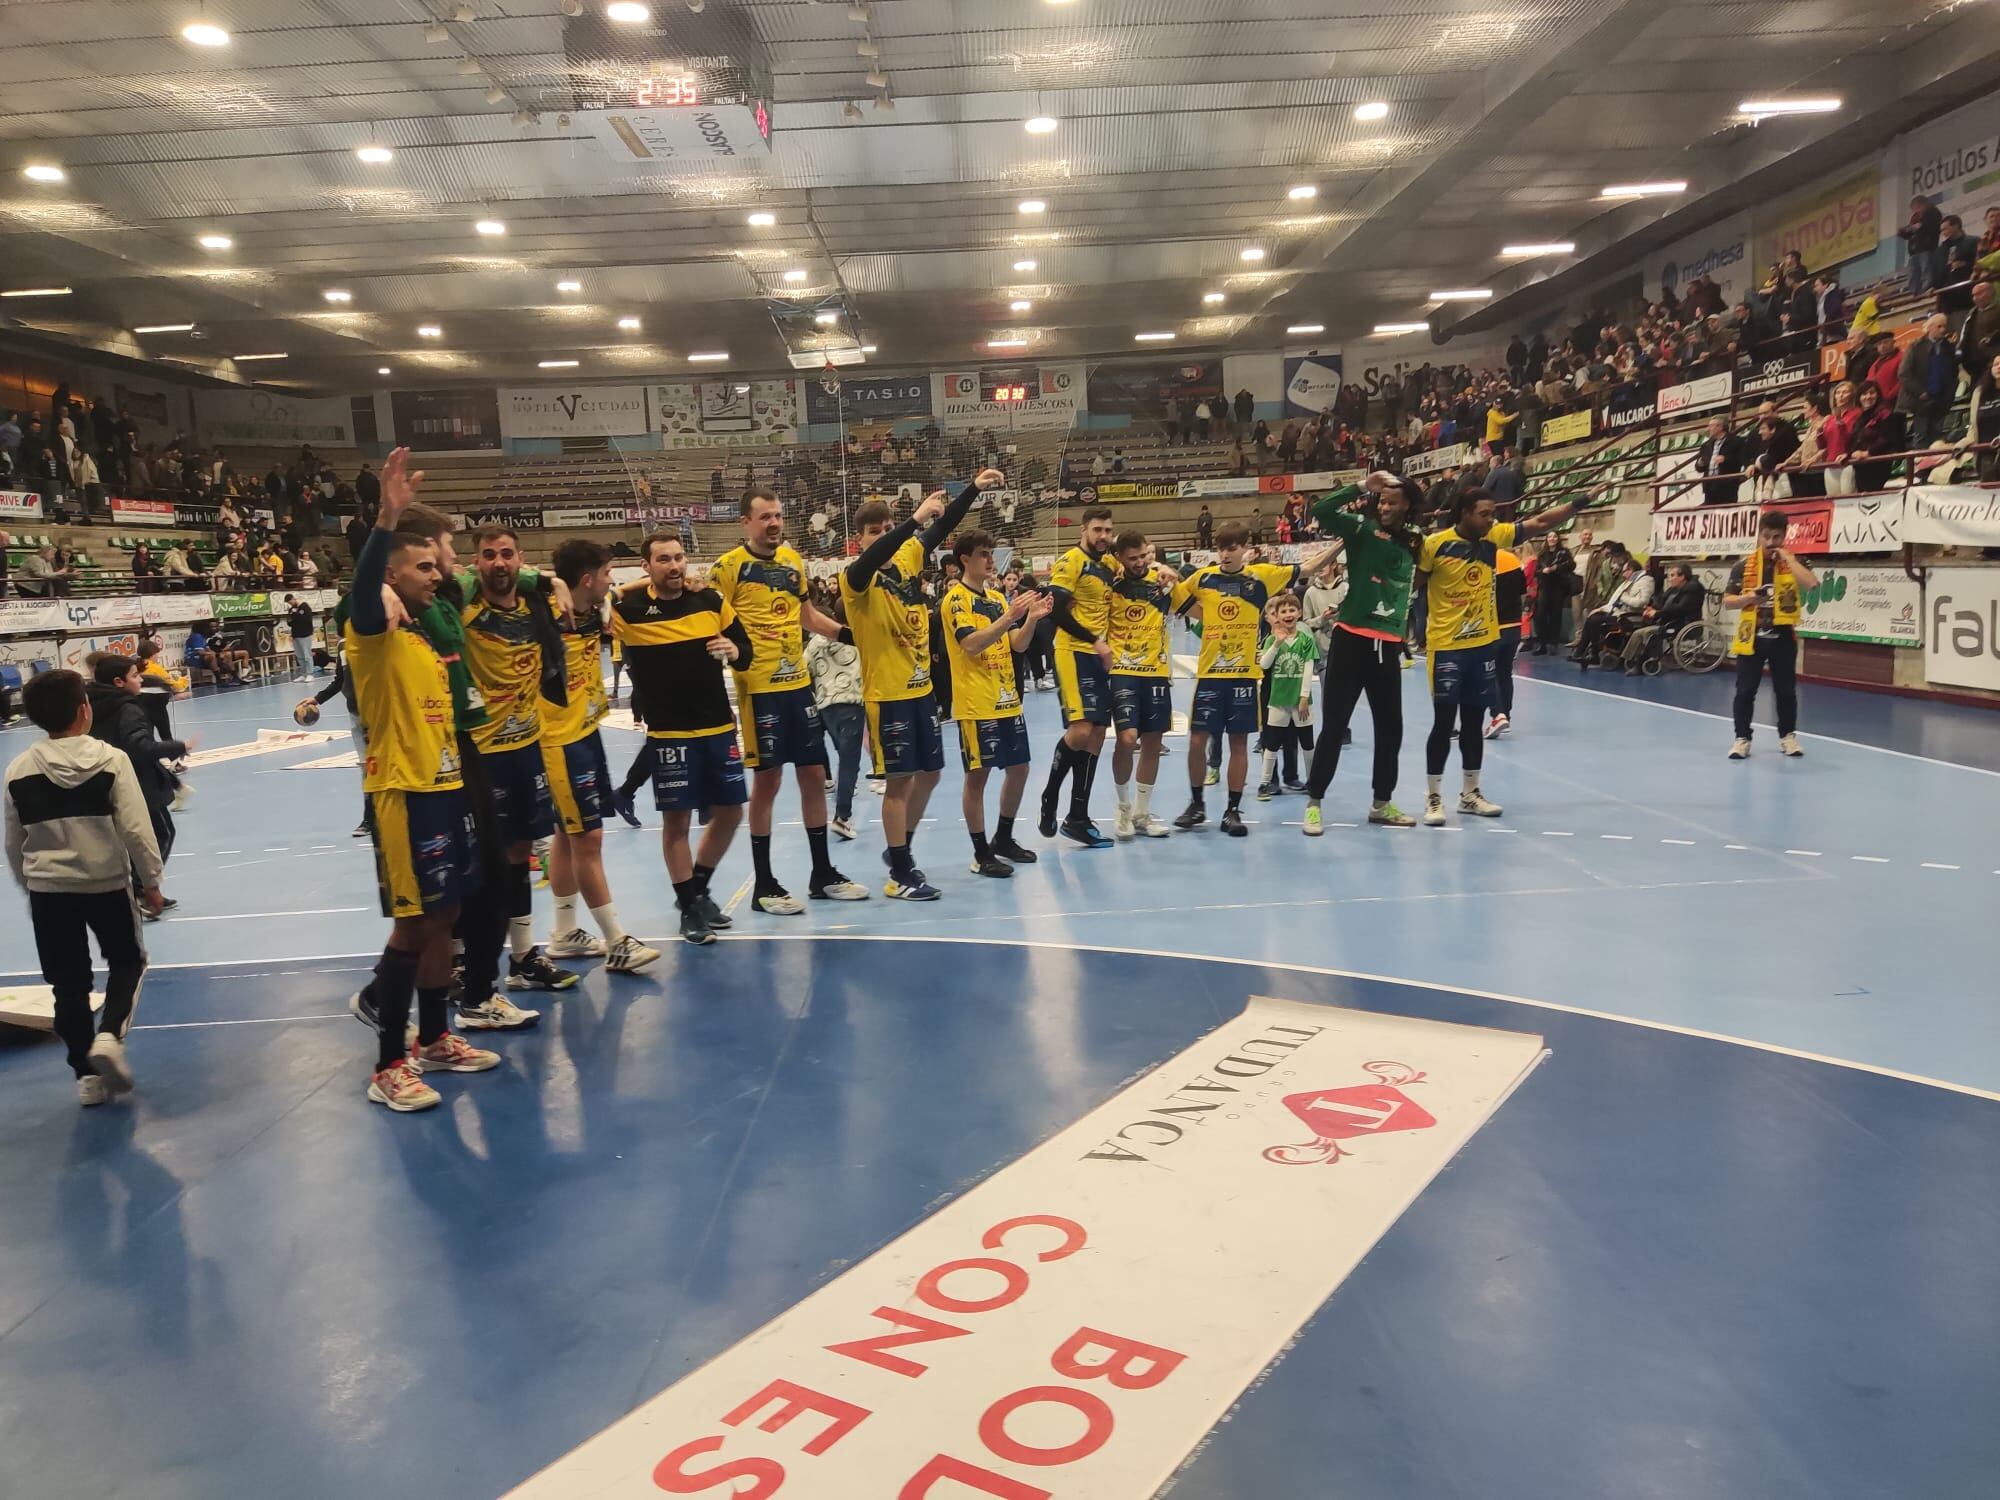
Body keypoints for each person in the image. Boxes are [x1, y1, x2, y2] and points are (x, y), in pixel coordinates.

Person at [341, 451, 499, 1113]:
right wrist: (386, 519)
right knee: (412, 926)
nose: (438, 575)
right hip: (404, 796)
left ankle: (434, 1037)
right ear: (391, 574)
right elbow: (362, 594)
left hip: (445, 790)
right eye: (424, 568)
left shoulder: (421, 635)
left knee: (447, 916)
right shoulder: (371, 630)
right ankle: (388, 1065)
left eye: (438, 565)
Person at [3, 670, 165, 1106]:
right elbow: (137, 830)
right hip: (106, 885)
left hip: (49, 892)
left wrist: (31, 884)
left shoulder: (18, 770)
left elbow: (14, 841)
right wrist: (151, 882)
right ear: (84, 711)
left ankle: (86, 1079)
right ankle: (110, 1035)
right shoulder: (112, 761)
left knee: (68, 984)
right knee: (128, 961)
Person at [710, 486, 868, 914]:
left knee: (814, 776)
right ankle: (764, 884)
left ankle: (822, 874)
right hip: (759, 689)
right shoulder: (728, 568)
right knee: (768, 782)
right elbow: (709, 621)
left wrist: (850, 636)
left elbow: (807, 616)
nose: (774, 523)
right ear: (746, 522)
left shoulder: (793, 561)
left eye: (778, 515)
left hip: (798, 684)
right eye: (765, 517)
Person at [841, 474, 993, 899]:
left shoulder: (907, 556)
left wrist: (974, 489)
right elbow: (884, 551)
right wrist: (912, 522)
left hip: (921, 690)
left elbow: (943, 526)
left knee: (931, 774)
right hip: (888, 696)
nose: (884, 536)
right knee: (899, 781)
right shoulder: (855, 578)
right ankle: (900, 872)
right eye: (875, 531)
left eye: (887, 528)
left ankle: (900, 849)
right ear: (859, 541)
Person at [455, 525, 579, 999]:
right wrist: (547, 578)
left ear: (520, 557)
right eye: (489, 555)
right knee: (478, 862)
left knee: (520, 853)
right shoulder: (464, 608)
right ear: (476, 563)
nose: (499, 563)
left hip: (527, 747)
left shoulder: (535, 607)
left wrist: (553, 582)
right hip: (480, 754)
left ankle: (524, 957)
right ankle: (462, 962)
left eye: (507, 554)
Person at [614, 532, 754, 944]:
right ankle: (690, 908)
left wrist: (734, 650)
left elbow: (745, 651)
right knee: (676, 823)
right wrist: (636, 586)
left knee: (731, 813)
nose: (674, 566)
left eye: (679, 558)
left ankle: (698, 888)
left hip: (718, 728)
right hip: (669, 733)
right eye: (663, 560)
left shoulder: (710, 601)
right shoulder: (628, 611)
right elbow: (594, 598)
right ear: (646, 566)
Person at [1414, 486, 1583, 826]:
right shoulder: (1434, 544)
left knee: (1474, 723)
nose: (1491, 519)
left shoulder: (1493, 538)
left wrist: (1580, 502)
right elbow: (1413, 584)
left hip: (1483, 646)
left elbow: (1539, 523)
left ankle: (1470, 794)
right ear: (1464, 513)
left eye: (1493, 513)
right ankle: (1434, 797)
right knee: (1444, 724)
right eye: (1484, 514)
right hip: (1447, 647)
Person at [537, 539, 659, 975]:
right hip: (559, 740)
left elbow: (626, 589)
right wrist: (548, 582)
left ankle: (565, 932)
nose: (612, 580)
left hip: (585, 732)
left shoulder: (597, 602)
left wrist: (691, 579)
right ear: (587, 578)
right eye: (607, 573)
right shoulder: (545, 612)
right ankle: (616, 941)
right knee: (588, 839)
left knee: (566, 835)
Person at [1171, 523, 1335, 835]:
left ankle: (1232, 811)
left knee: (1239, 743)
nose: (1225, 554)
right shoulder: (1202, 578)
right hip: (1210, 675)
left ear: (1245, 547)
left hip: (1244, 676)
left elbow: (1309, 566)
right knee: (1196, 741)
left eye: (1231, 547)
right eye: (1221, 548)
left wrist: (1341, 542)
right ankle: (1196, 804)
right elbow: (1177, 600)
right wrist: (1166, 575)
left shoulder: (1261, 576)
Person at [1301, 474, 1424, 834]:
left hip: (1387, 645)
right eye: (1381, 500)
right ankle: (1314, 803)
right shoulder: (1361, 529)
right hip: (1351, 641)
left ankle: (1381, 804)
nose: (1384, 506)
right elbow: (1322, 510)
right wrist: (1361, 486)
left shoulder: (1415, 539)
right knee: (1335, 726)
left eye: (1391, 502)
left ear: (1407, 505)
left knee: (1391, 729)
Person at [941, 529, 1048, 877]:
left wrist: (1030, 619)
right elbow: (971, 644)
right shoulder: (956, 600)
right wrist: (1009, 617)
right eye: (984, 554)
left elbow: (1018, 645)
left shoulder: (998, 598)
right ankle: (980, 852)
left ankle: (1003, 838)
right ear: (965, 560)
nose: (990, 560)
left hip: (1007, 699)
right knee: (977, 777)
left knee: (1020, 769)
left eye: (991, 553)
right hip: (976, 703)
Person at [1037, 505, 1120, 847]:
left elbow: (1137, 564)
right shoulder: (1071, 561)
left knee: (1098, 733)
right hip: (1073, 652)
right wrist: (1095, 641)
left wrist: (1161, 571)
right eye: (1097, 529)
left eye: (1108, 530)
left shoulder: (1110, 565)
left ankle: (1078, 817)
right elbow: (1055, 610)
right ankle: (1050, 796)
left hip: (1098, 657)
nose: (1103, 536)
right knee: (1081, 730)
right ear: (1084, 530)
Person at [86, 657, 189, 911]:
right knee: (162, 833)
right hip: (138, 783)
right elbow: (139, 746)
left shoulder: (89, 706)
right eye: (135, 675)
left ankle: (133, 890)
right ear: (118, 682)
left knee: (123, 841)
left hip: (103, 782)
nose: (140, 679)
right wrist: (178, 746)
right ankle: (142, 890)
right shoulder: (129, 709)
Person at [1722, 511, 1818, 760]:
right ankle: (1742, 739)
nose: (1770, 542)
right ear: (1759, 535)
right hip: (1751, 637)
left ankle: (1788, 736)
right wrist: (1747, 598)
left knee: (1786, 691)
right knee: (1745, 691)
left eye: (1776, 537)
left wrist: (1789, 559)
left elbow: (1811, 584)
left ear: (1784, 537)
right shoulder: (1743, 565)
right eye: (1766, 536)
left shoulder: (1795, 562)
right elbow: (1728, 602)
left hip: (1783, 636)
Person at [1103, 530, 1178, 839]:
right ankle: (1122, 808)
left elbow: (1189, 597)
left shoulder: (1162, 582)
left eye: (1143, 556)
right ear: (1119, 557)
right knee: (1127, 738)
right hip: (1122, 670)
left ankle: (1141, 813)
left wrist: (1170, 570)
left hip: (1156, 671)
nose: (1138, 562)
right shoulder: (1110, 582)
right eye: (1131, 558)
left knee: (1152, 742)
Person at [806, 595, 865, 842]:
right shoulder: (858, 637)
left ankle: (840, 789)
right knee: (850, 761)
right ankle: (842, 816)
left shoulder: (816, 641)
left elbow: (804, 669)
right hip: (851, 703)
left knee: (841, 756)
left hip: (825, 706)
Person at [1255, 593, 1319, 800]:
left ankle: (1313, 781)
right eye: (1283, 611)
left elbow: (1308, 668)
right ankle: (1265, 783)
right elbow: (1264, 664)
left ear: (1299, 613)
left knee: (1307, 743)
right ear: (1277, 615)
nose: (1288, 614)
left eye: (1292, 610)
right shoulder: (1272, 640)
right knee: (1272, 743)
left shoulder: (1306, 640)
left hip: (1300, 702)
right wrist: (1276, 644)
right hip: (1278, 701)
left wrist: (1304, 697)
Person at [1571, 551, 1654, 666]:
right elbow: (1614, 601)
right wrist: (1601, 609)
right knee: (1592, 617)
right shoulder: (1627, 582)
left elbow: (1641, 602)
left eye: (1624, 571)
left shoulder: (1646, 581)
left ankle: (1592, 653)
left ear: (1631, 570)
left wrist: (1624, 597)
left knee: (1594, 621)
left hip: (1630, 615)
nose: (1623, 574)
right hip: (1618, 612)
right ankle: (1584, 651)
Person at [1623, 564, 1707, 674]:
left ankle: (1641, 663)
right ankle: (1628, 657)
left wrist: (1657, 613)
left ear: (1682, 577)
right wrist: (1652, 608)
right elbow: (1662, 603)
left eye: (1672, 575)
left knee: (1651, 633)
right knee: (1638, 632)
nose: (1669, 578)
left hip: (1683, 624)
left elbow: (1680, 609)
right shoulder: (1673, 589)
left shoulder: (1693, 591)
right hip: (1670, 622)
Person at [1486, 546, 1526, 735]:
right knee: (1505, 672)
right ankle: (1506, 716)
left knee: (1489, 673)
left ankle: (1498, 714)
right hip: (1514, 625)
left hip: (1493, 627)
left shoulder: (1483, 559)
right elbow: (1522, 590)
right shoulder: (1512, 560)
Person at [1694, 416, 1751, 505]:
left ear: (1720, 427)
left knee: (1727, 509)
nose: (1708, 429)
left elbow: (1742, 460)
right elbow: (1700, 468)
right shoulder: (1706, 445)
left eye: (1711, 426)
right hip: (1709, 486)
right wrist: (1700, 463)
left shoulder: (1736, 442)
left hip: (1727, 486)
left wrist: (1725, 459)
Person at [284, 594, 317, 679]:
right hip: (295, 635)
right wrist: (294, 618)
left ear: (294, 599)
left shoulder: (305, 607)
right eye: (289, 603)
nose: (290, 604)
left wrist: (296, 617)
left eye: (290, 602)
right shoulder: (291, 609)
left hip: (305, 634)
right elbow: (289, 622)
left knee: (307, 655)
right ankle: (303, 674)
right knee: (300, 656)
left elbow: (306, 620)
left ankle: (310, 673)